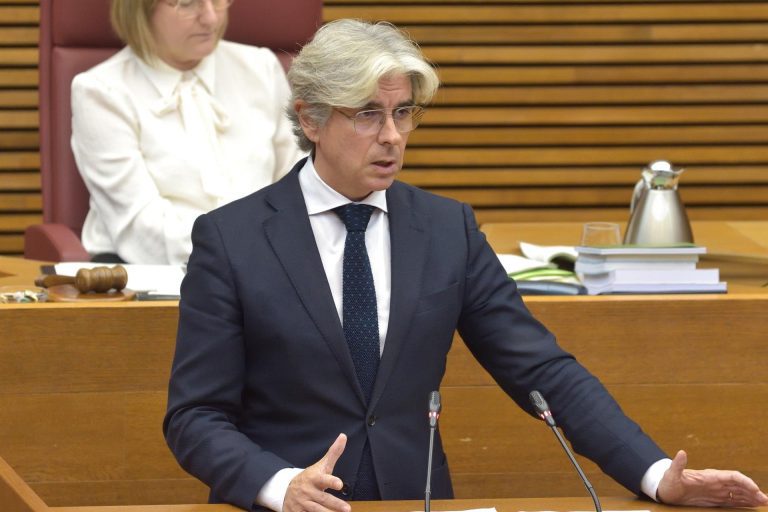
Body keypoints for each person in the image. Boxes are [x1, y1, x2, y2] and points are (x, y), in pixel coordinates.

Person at [163, 18, 768, 512]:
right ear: (310, 119)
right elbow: (195, 416)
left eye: (403, 113)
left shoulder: (445, 229)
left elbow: (541, 371)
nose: (392, 136)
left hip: (417, 502)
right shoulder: (232, 239)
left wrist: (656, 474)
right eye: (368, 113)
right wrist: (279, 484)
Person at [70, 0, 304, 265]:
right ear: (140, 9)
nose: (211, 18)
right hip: (153, 273)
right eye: (187, 4)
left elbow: (297, 187)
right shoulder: (102, 91)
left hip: (268, 267)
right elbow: (140, 228)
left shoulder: (261, 69)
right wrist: (241, 260)